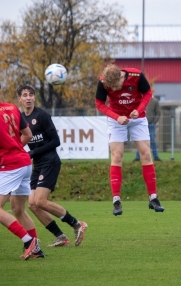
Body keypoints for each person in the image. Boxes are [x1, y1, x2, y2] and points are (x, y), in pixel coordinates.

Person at [17, 85, 87, 247]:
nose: (28, 98)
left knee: (40, 201)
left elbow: (56, 141)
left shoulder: (42, 116)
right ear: (19, 99)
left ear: (34, 98)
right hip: (37, 164)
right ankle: (60, 236)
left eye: (31, 95)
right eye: (25, 95)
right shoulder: (20, 118)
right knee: (33, 204)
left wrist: (33, 153)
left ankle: (77, 224)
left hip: (50, 161)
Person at [95, 64, 164, 216]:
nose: (114, 90)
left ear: (121, 76)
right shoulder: (103, 82)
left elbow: (147, 94)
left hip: (137, 118)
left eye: (116, 86)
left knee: (146, 154)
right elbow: (99, 103)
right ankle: (116, 200)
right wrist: (116, 117)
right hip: (116, 119)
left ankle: (153, 198)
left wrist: (138, 111)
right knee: (117, 155)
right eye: (110, 88)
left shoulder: (136, 76)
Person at [0, 97, 43, 260]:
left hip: (10, 166)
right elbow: (28, 134)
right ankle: (36, 250)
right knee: (18, 209)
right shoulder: (12, 108)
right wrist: (14, 148)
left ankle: (29, 242)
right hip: (24, 163)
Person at [133, 86, 162, 162]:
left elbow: (158, 113)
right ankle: (138, 157)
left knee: (152, 140)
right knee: (140, 140)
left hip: (150, 124)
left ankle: (155, 156)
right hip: (141, 124)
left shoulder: (155, 101)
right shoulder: (140, 100)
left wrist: (153, 122)